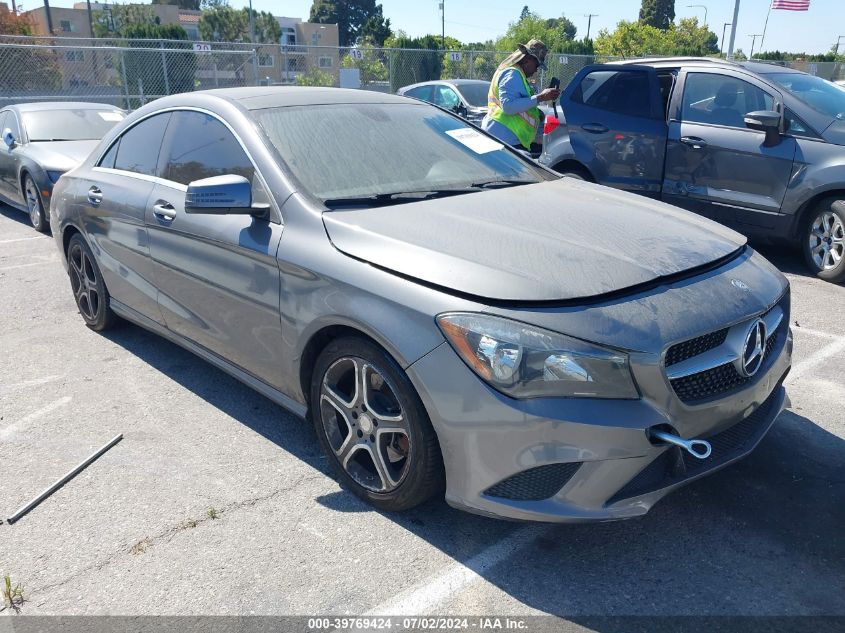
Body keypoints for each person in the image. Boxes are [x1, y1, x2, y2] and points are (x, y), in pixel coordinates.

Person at [481, 39, 560, 151]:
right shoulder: (512, 73)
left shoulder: (517, 74)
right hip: (504, 139)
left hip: (505, 138)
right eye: (537, 64)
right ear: (527, 60)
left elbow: (520, 103)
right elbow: (508, 106)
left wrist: (538, 113)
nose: (537, 69)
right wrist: (541, 97)